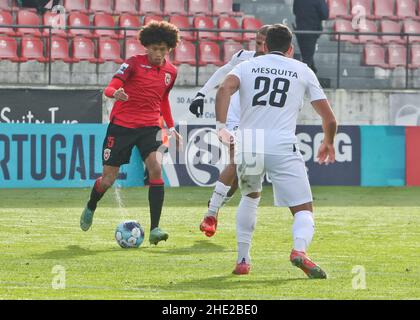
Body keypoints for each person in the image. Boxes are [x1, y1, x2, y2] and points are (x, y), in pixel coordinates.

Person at [215, 24, 337, 278]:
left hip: (249, 142)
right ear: (290, 49)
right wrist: (328, 141)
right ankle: (299, 251)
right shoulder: (302, 70)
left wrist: (221, 126)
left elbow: (224, 88)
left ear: (265, 46)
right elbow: (330, 119)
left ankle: (243, 260)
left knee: (250, 197)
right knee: (303, 209)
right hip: (283, 144)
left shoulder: (247, 66)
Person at [80, 21, 183, 246]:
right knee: (108, 178)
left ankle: (155, 228)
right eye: (154, 48)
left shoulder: (171, 72)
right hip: (122, 127)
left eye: (162, 49)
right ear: (146, 47)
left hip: (150, 127)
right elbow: (111, 86)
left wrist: (172, 126)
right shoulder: (133, 64)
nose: (158, 53)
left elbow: (163, 99)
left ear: (170, 49)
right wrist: (114, 93)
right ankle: (91, 205)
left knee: (156, 168)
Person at [188, 25, 271, 238]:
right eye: (257, 42)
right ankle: (211, 213)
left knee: (240, 179)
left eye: (263, 43)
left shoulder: (280, 67)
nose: (259, 47)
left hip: (258, 126)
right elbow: (222, 72)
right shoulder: (244, 57)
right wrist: (201, 94)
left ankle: (217, 203)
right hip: (234, 122)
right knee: (235, 161)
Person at [293, 0, 329, 73]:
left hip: (300, 30)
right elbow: (325, 15)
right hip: (312, 30)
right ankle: (306, 77)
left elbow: (295, 11)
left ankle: (313, 69)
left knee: (306, 54)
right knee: (307, 57)